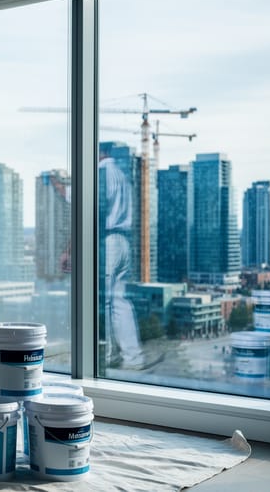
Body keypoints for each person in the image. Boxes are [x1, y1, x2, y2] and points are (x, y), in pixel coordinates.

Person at [98, 146, 161, 371]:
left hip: (107, 241)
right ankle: (132, 357)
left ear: (98, 153)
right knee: (119, 300)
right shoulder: (122, 176)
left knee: (104, 301)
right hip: (124, 241)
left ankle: (107, 357)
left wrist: (57, 185)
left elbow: (87, 207)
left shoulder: (101, 174)